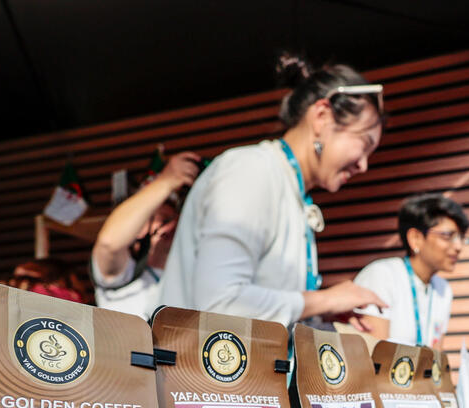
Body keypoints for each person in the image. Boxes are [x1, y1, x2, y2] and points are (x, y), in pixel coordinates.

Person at [158, 54, 386, 327]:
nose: (363, 165)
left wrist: (317, 313)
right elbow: (221, 302)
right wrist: (324, 300)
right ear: (322, 116)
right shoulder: (252, 170)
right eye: (364, 144)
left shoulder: (286, 183)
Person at [90, 150, 200, 319]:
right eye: (162, 219)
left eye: (176, 218)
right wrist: (167, 181)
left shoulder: (192, 280)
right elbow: (109, 244)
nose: (172, 225)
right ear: (139, 229)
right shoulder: (124, 274)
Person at [353, 193, 469, 347]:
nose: (458, 247)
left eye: (461, 237)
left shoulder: (443, 289)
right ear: (416, 238)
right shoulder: (382, 275)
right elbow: (374, 358)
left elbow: (436, 358)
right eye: (448, 236)